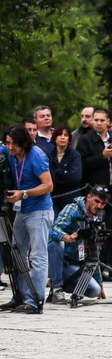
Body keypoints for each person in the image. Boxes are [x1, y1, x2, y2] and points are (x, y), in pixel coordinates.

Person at [0, 124, 54, 313]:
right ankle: (21, 296)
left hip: (39, 210)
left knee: (37, 256)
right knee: (16, 253)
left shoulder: (36, 155)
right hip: (21, 211)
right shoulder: (8, 152)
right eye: (7, 143)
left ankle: (36, 300)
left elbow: (48, 186)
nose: (10, 147)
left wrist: (24, 193)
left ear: (23, 143)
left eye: (13, 143)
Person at [75, 108, 112, 277]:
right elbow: (82, 165)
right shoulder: (85, 140)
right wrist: (101, 156)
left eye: (101, 120)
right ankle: (98, 267)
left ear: (108, 122)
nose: (98, 123)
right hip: (95, 192)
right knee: (97, 231)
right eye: (95, 120)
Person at [47, 187, 110, 303]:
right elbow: (53, 229)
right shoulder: (72, 208)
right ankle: (56, 289)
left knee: (94, 290)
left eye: (103, 203)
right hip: (57, 260)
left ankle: (62, 285)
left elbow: (94, 251)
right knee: (56, 243)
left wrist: (100, 283)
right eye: (97, 201)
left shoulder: (99, 216)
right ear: (88, 197)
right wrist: (68, 237)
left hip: (74, 264)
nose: (99, 206)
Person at [48, 125, 83, 215]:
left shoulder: (75, 155)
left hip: (70, 198)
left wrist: (57, 173)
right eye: (60, 135)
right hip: (54, 198)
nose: (63, 137)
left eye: (66, 135)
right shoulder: (49, 155)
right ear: (55, 138)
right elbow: (48, 178)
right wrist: (64, 173)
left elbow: (76, 177)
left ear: (69, 139)